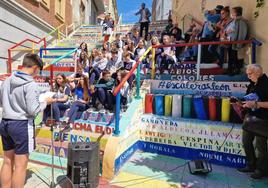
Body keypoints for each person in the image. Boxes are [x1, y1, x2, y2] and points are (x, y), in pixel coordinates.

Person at [0, 53, 53, 187]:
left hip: (5, 121)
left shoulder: (7, 80)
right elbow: (33, 110)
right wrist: (45, 102)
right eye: (38, 71)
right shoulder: (31, 85)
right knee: (20, 165)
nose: (37, 75)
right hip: (21, 125)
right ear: (35, 68)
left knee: (7, 161)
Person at [237, 64, 268, 179]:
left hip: (262, 119)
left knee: (261, 146)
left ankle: (261, 170)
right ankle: (251, 165)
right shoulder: (252, 83)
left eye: (250, 74)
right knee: (246, 141)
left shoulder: (266, 83)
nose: (248, 76)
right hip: (250, 118)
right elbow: (249, 98)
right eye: (247, 74)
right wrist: (242, 104)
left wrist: (256, 104)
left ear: (258, 72)